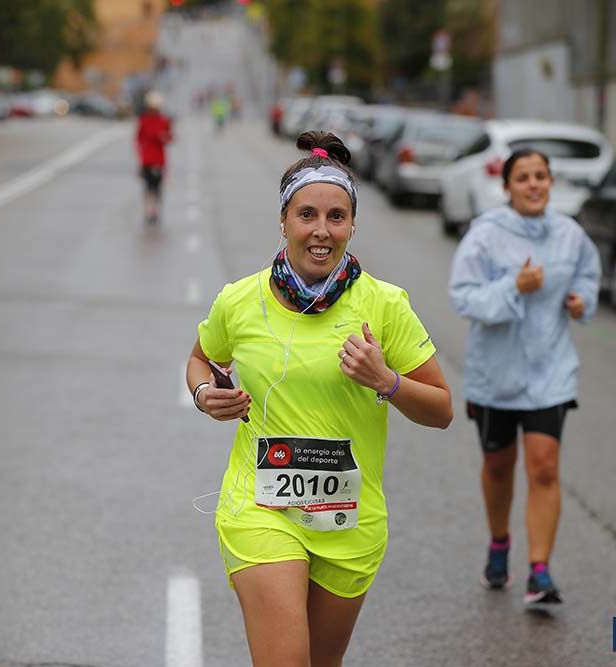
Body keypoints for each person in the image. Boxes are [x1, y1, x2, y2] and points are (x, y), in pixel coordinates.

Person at [186, 131, 453, 665]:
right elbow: (201, 358)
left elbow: (442, 410)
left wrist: (387, 381)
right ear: (284, 221)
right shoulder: (239, 300)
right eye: (307, 214)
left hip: (349, 521)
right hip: (261, 511)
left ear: (353, 225)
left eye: (337, 217)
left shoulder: (385, 304)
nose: (321, 231)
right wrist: (203, 394)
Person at [448, 149, 600, 605]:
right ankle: (499, 544)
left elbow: (590, 277)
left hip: (550, 371)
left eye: (541, 176)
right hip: (495, 375)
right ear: (508, 186)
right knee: (499, 465)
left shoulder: (570, 235)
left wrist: (580, 301)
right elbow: (464, 297)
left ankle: (539, 570)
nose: (533, 185)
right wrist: (513, 286)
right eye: (524, 178)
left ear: (551, 183)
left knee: (545, 468)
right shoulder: (486, 235)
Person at [136, 90, 173, 224]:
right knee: (148, 187)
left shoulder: (164, 120)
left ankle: (155, 211)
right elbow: (138, 139)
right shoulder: (144, 120)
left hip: (159, 160)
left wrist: (164, 137)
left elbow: (170, 137)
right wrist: (140, 157)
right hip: (147, 159)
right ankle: (148, 211)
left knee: (157, 187)